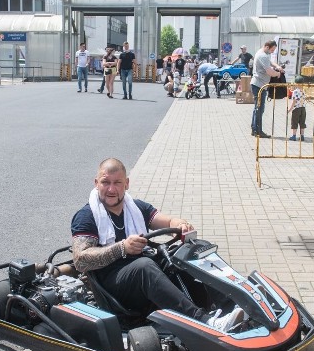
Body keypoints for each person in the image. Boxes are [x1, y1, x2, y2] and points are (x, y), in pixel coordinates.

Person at [71, 158, 245, 331]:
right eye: (105, 182)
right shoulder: (87, 216)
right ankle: (205, 322)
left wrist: (180, 224)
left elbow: (168, 221)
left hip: (141, 271)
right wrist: (121, 248)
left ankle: (235, 306)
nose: (111, 189)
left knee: (197, 249)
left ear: (127, 184)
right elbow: (80, 260)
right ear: (96, 183)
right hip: (111, 284)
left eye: (117, 182)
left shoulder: (136, 208)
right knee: (144, 266)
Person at [250, 40, 285, 138]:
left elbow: (269, 62)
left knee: (257, 108)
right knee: (259, 109)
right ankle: (258, 131)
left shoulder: (263, 53)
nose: (272, 52)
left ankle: (254, 129)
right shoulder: (263, 56)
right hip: (259, 85)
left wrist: (277, 66)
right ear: (267, 47)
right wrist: (278, 73)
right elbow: (269, 72)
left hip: (259, 84)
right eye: (272, 50)